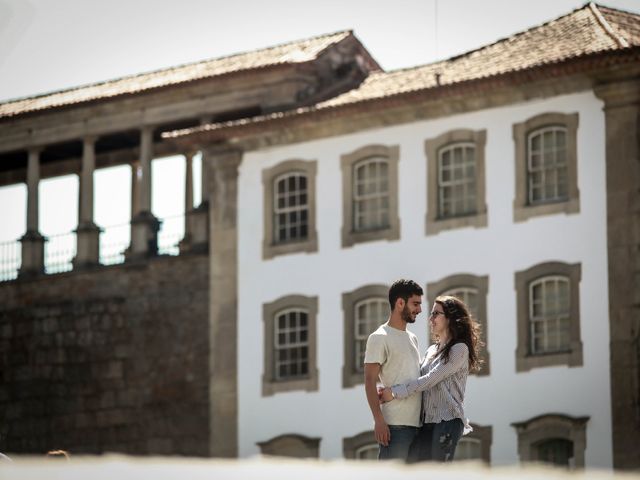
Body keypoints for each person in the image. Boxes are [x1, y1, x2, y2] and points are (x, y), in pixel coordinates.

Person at [380, 295, 483, 462]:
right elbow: (416, 376)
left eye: (436, 313)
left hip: (447, 421)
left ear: (450, 318)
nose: (430, 318)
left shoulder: (459, 349)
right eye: (431, 313)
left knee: (438, 472)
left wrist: (394, 392)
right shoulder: (430, 351)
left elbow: (430, 379)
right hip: (426, 422)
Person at [364, 279, 424, 461]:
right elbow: (369, 381)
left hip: (417, 426)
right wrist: (379, 421)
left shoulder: (413, 338)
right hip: (395, 428)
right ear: (400, 303)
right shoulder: (379, 337)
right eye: (415, 304)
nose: (420, 310)